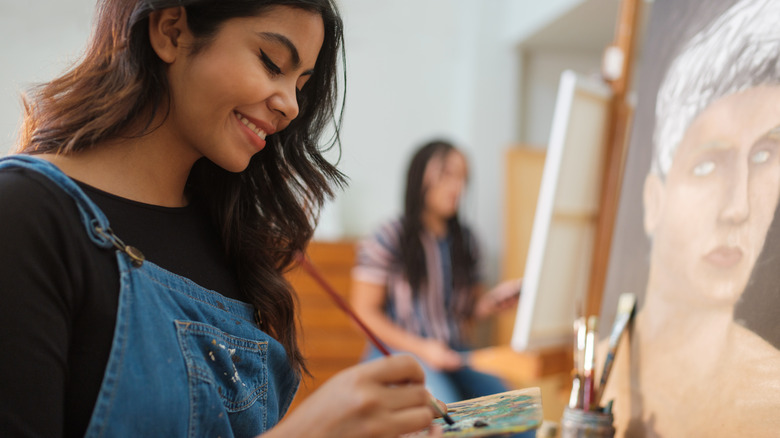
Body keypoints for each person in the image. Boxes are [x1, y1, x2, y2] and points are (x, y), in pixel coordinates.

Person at [0, 1, 445, 437]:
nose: (290, 105)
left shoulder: (229, 237)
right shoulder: (24, 215)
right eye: (272, 62)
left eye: (301, 84)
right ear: (171, 31)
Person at [601, 0, 780, 436]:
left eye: (764, 155)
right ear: (653, 199)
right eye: (706, 164)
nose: (738, 207)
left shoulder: (771, 392)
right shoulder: (608, 367)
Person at [350, 140, 523, 406]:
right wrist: (422, 349)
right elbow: (363, 314)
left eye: (463, 178)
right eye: (447, 175)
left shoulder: (467, 241)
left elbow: (469, 310)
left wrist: (491, 303)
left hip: (454, 353)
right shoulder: (388, 237)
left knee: (516, 408)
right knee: (444, 412)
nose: (457, 187)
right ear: (420, 176)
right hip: (399, 352)